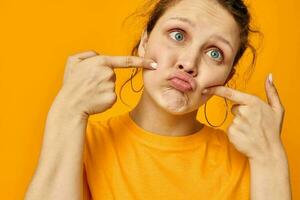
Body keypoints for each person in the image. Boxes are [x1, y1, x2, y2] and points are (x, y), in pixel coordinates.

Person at [24, 0, 292, 199]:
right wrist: (67, 110)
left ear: (227, 76)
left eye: (214, 53)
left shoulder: (248, 161)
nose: (188, 63)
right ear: (144, 41)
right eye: (178, 35)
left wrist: (271, 159)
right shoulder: (82, 142)